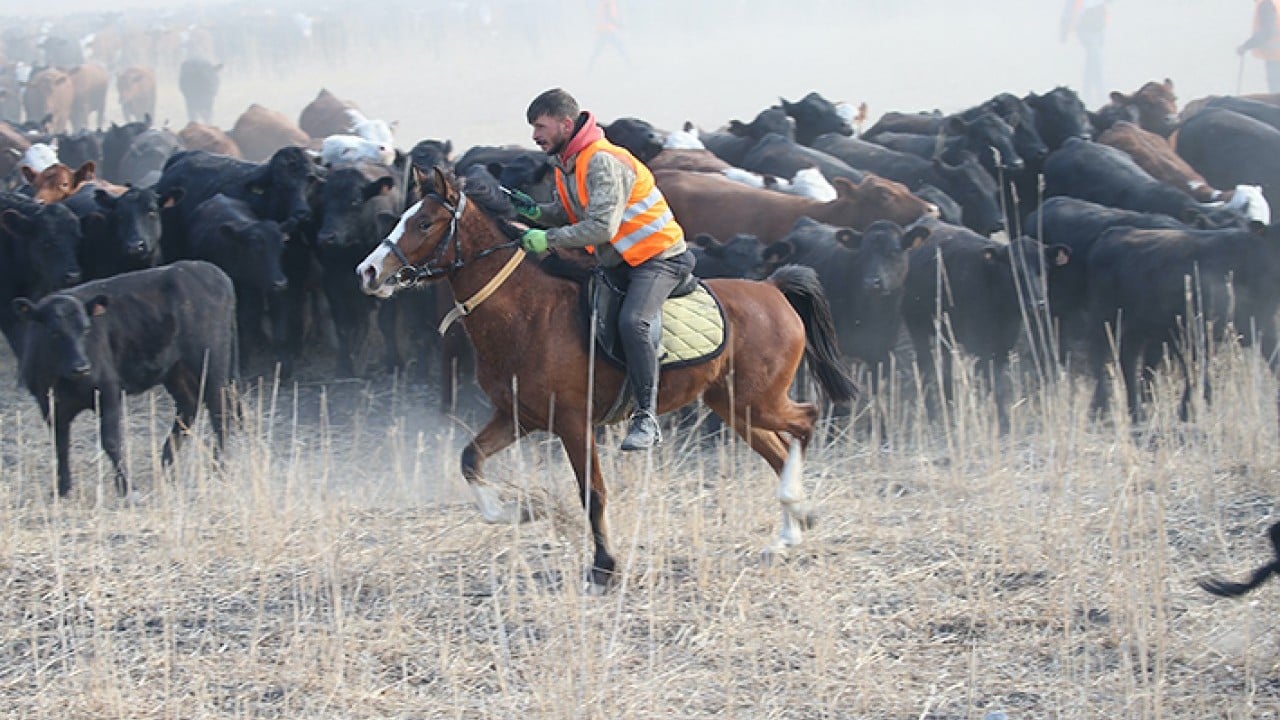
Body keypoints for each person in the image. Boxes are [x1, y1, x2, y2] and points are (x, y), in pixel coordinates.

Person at [510, 89, 693, 451]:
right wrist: (536, 212)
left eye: (540, 126)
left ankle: (647, 416)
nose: (534, 136)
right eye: (533, 128)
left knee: (633, 322)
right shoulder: (567, 161)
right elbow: (570, 211)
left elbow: (600, 228)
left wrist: (547, 239)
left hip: (658, 259)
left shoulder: (601, 160)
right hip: (619, 262)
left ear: (565, 123)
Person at [1060, 0, 1110, 108]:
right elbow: (1068, 11)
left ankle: (1089, 93)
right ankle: (1100, 93)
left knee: (1092, 63)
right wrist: (1064, 31)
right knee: (1096, 61)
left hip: (1099, 29)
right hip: (1085, 30)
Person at [1240, 0, 1280, 93]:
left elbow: (1267, 32)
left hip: (1276, 56)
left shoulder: (1266, 4)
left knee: (1276, 91)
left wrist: (1245, 46)